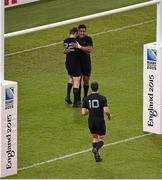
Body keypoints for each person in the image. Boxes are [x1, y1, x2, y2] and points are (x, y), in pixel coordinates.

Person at [81, 82, 112, 162]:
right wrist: (109, 116)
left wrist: (89, 111)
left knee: (95, 137)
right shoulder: (102, 98)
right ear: (98, 88)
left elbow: (83, 113)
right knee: (101, 139)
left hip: (91, 121)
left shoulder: (86, 99)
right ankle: (96, 149)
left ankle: (97, 156)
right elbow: (106, 111)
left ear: (91, 88)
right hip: (99, 121)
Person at [72, 24, 93, 101]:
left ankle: (85, 96)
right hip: (77, 63)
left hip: (86, 63)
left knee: (86, 80)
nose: (82, 33)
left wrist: (79, 47)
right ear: (78, 31)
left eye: (84, 31)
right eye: (81, 31)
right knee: (78, 80)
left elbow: (89, 50)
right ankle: (78, 98)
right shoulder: (74, 39)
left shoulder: (88, 39)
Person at [64, 27, 81, 107]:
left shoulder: (65, 41)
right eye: (77, 33)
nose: (78, 34)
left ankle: (68, 96)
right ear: (75, 33)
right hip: (75, 63)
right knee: (76, 80)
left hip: (68, 63)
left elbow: (65, 50)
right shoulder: (76, 41)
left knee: (71, 77)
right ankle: (76, 102)